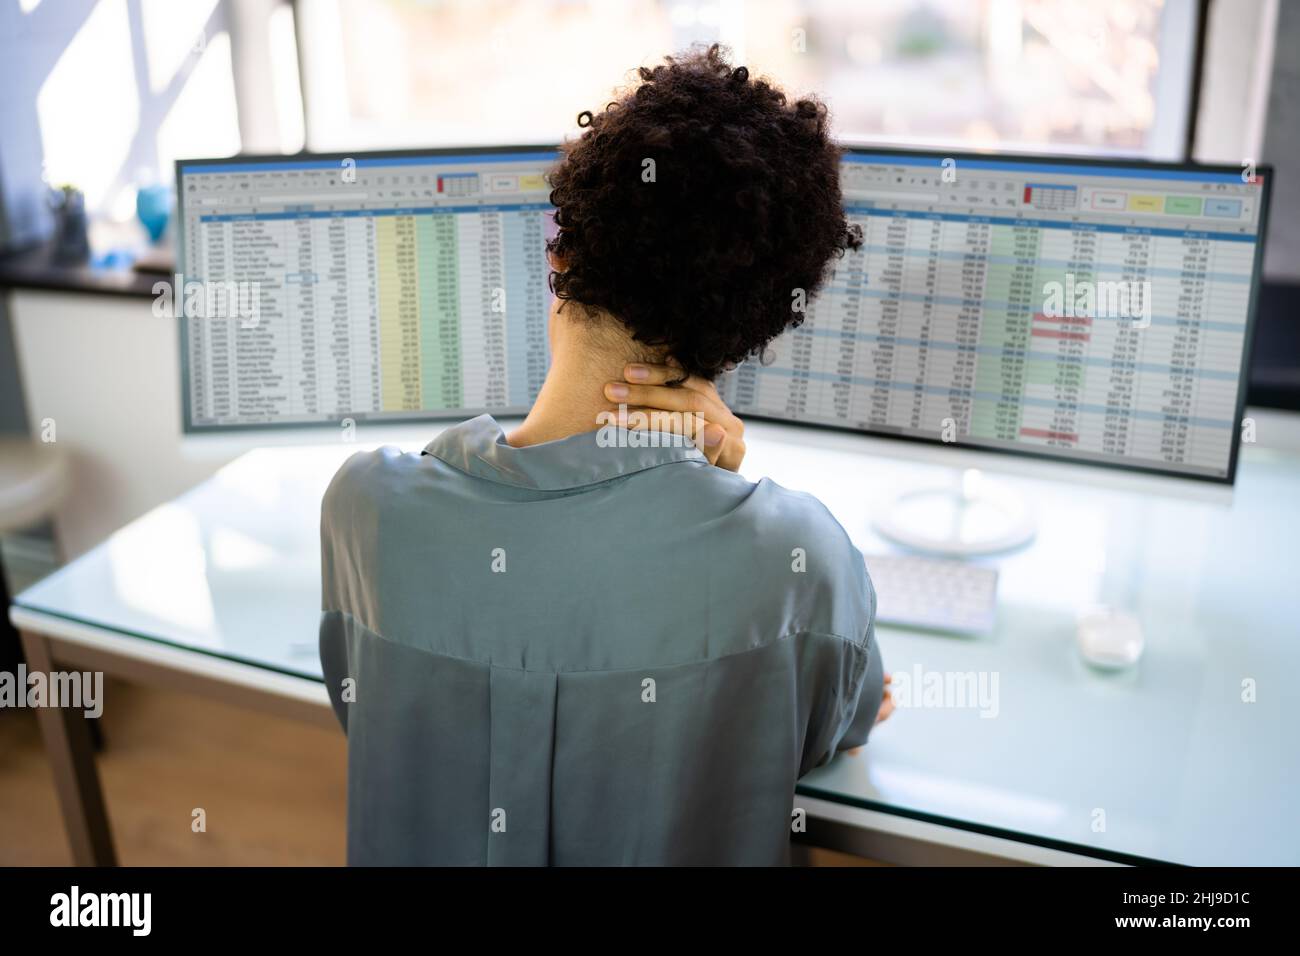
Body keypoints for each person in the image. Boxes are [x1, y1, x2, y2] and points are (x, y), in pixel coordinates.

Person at [319, 44, 891, 866]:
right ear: (756, 331)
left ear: (558, 256)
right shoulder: (796, 561)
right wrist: (721, 492)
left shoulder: (363, 507)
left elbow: (366, 707)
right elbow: (844, 721)